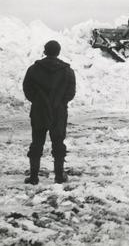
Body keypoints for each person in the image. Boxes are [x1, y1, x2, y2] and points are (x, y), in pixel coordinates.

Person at [22, 40, 76, 185]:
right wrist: (60, 103)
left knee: (37, 143)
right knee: (58, 143)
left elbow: (27, 89)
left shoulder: (33, 69)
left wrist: (38, 102)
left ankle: (34, 177)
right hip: (59, 112)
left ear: (45, 51)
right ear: (58, 52)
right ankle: (59, 176)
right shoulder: (67, 71)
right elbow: (70, 93)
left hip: (39, 112)